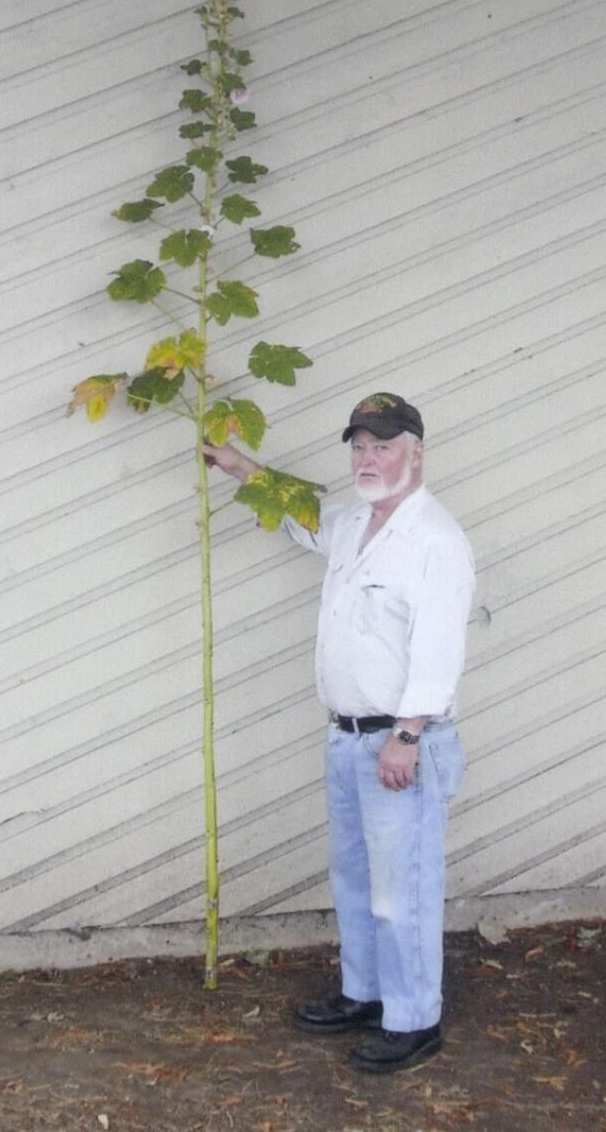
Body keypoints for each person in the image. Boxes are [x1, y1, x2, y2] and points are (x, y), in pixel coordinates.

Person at [205, 391, 475, 1072]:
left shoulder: (435, 540)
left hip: (399, 743)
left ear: (417, 452)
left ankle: (414, 1021)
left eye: (382, 445)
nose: (367, 457)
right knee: (356, 879)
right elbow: (301, 510)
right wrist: (238, 466)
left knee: (400, 888)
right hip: (347, 737)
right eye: (358, 446)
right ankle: (366, 993)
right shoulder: (355, 521)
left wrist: (407, 737)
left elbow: (438, 651)